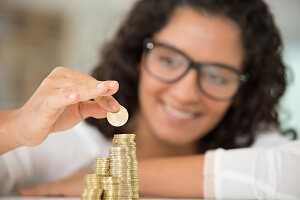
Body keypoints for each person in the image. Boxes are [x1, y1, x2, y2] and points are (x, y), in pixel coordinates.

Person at [0, 0, 299, 199]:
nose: (185, 94)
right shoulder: (68, 143)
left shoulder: (256, 146)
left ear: (241, 92)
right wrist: (13, 128)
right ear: (138, 57)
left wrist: (114, 177)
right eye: (169, 61)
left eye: (218, 76)